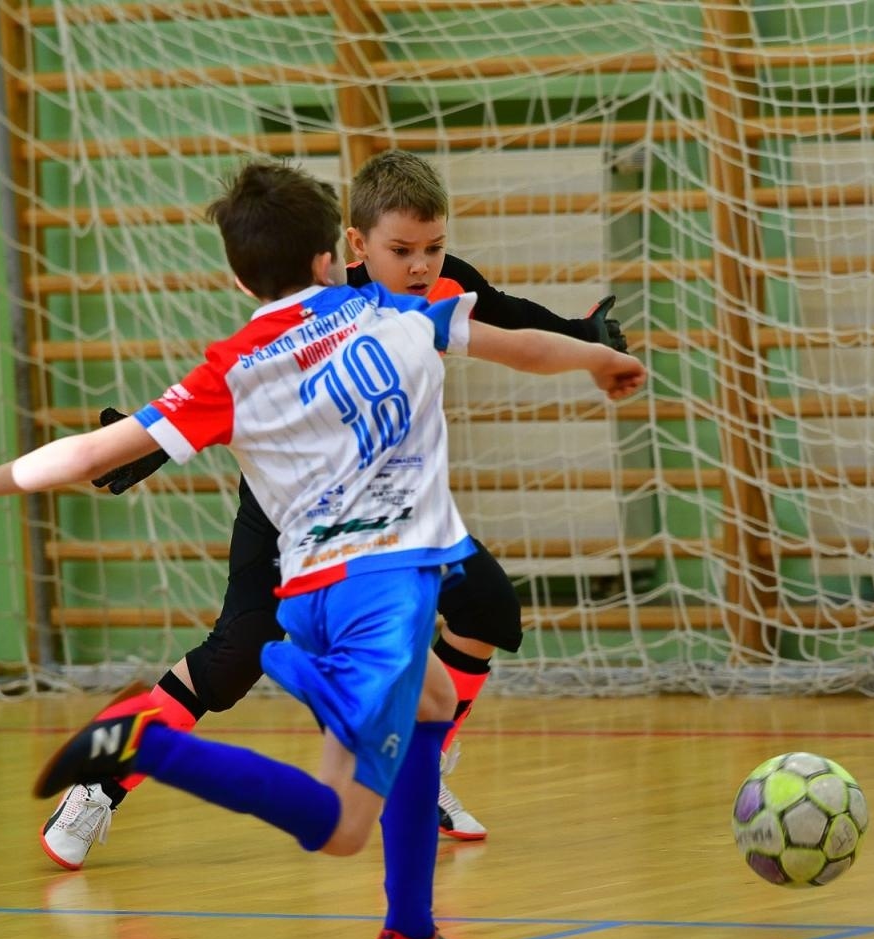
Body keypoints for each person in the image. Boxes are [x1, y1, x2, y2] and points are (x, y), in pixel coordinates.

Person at [0, 159, 643, 939]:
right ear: (338, 254)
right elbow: (517, 345)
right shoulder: (397, 315)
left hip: (315, 590)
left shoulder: (232, 370)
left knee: (430, 701)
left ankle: (410, 934)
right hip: (377, 599)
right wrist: (593, 361)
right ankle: (148, 745)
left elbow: (93, 452)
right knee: (340, 823)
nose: (421, 263)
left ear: (239, 276)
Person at [40, 149, 630, 868]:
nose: (419, 266)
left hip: (388, 517)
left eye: (431, 249)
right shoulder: (322, 291)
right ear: (354, 247)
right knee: (236, 657)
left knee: (487, 609)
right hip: (293, 507)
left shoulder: (447, 283)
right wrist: (145, 447)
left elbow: (508, 317)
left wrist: (585, 334)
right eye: (400, 250)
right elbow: (235, 379)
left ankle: (424, 764)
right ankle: (101, 781)